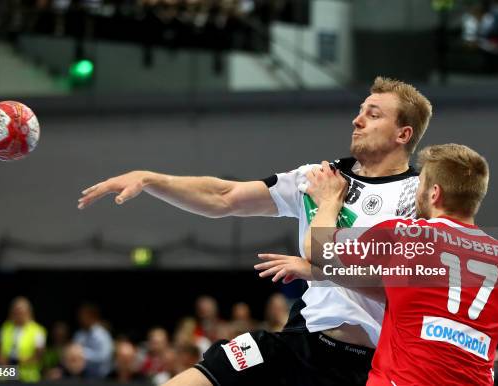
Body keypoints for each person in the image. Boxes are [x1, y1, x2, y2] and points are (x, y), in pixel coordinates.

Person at [78, 76, 433, 386]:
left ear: (403, 133)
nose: (357, 120)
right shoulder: (319, 178)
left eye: (373, 115)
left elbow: (405, 288)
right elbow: (225, 197)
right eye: (360, 111)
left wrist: (317, 266)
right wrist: (151, 179)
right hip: (298, 342)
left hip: (369, 365)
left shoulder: (420, 199)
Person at [256, 144, 498, 385]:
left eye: (420, 184)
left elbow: (318, 247)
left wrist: (329, 201)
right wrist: (316, 272)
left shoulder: (408, 235)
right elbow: (405, 296)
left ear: (434, 193)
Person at [0, 296, 46, 383]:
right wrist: (2, 360)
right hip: (7, 375)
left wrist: (23, 361)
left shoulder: (37, 330)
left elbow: (39, 356)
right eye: (16, 312)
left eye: (21, 312)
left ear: (28, 312)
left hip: (28, 377)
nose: (18, 315)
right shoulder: (5, 328)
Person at [73, 303, 114, 378]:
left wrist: (83, 353)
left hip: (102, 377)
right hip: (83, 376)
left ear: (93, 316)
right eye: (81, 315)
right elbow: (73, 353)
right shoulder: (79, 334)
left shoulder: (102, 334)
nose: (82, 318)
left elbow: (104, 356)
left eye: (85, 315)